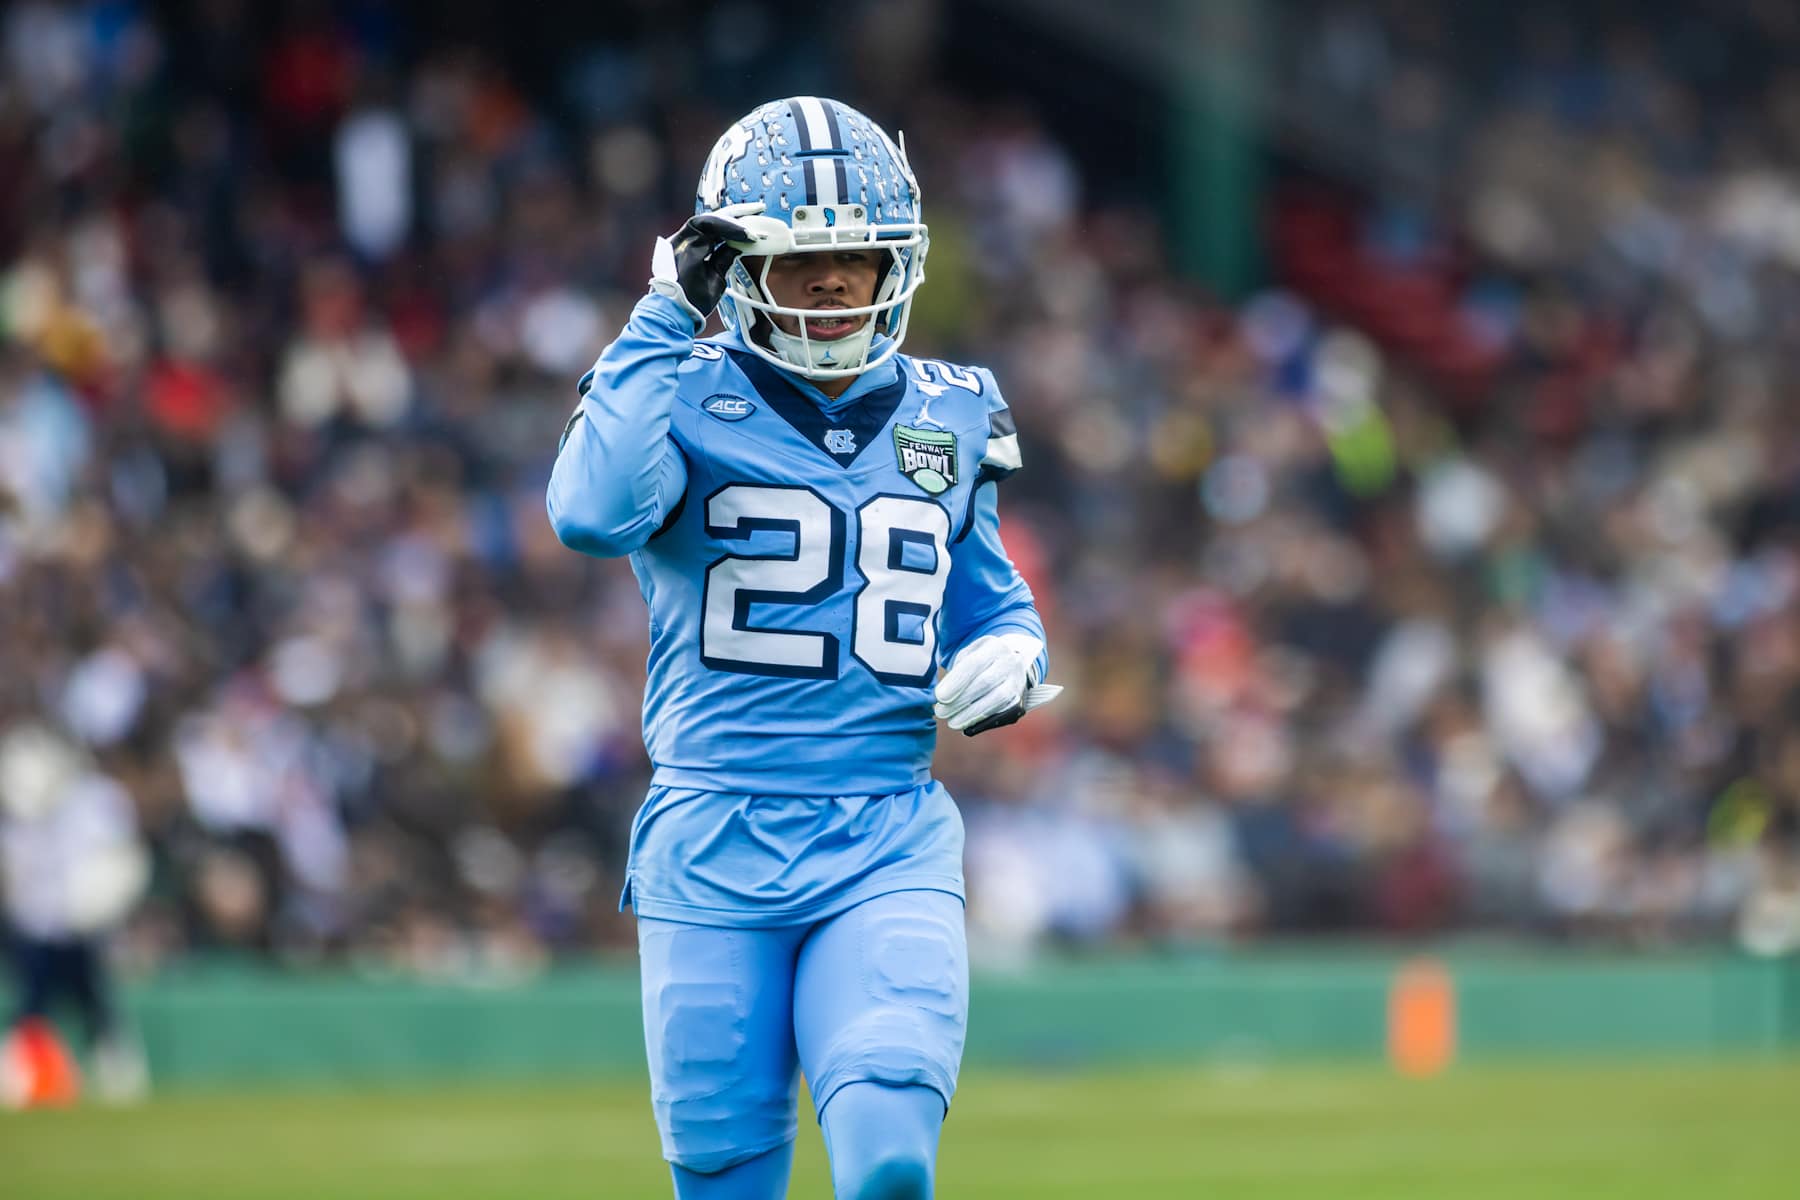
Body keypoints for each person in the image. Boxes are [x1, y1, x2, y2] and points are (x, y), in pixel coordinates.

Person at [548, 96, 1058, 1199]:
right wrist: (656, 317)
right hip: (711, 840)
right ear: (736, 269)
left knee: (887, 1166)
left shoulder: (952, 411)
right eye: (803, 261)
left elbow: (995, 601)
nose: (834, 286)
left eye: (857, 259)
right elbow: (590, 514)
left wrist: (1014, 656)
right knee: (729, 1184)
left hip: (885, 830)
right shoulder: (671, 385)